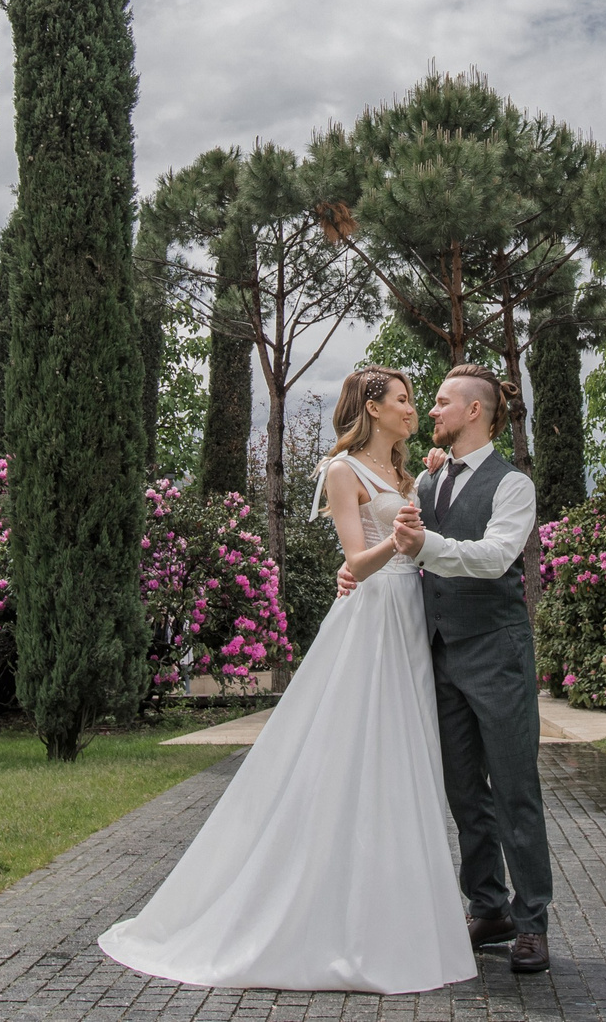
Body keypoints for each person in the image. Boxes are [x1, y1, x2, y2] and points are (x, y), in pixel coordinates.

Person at [97, 367, 476, 994]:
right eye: (406, 400)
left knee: (405, 757)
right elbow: (356, 558)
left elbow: (418, 520)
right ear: (374, 407)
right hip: (375, 614)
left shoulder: (413, 474)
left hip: (413, 618)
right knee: (358, 751)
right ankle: (326, 913)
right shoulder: (341, 472)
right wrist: (403, 544)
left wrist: (424, 496)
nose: (414, 409)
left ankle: (395, 911)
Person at [359, 361, 556, 975]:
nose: (431, 412)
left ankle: (531, 923)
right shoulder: (431, 480)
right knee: (464, 791)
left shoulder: (512, 484)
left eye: (442, 402)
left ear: (475, 411)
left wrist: (427, 549)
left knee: (515, 789)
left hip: (497, 656)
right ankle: (488, 906)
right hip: (440, 655)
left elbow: (498, 557)